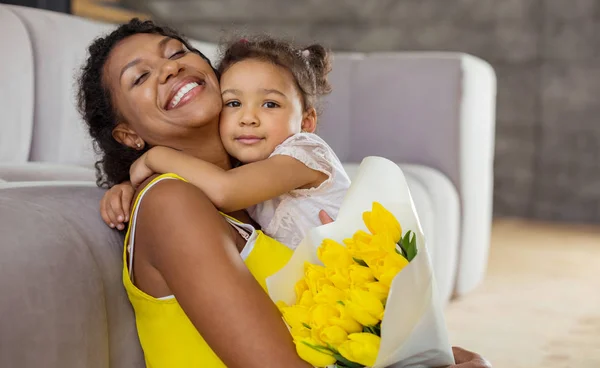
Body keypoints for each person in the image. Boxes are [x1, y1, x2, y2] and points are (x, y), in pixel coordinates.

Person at [80, 18, 490, 368]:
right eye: (140, 76)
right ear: (129, 134)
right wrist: (152, 167)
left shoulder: (258, 199)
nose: (168, 70)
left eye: (175, 53)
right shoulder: (169, 202)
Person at [110, 35, 350, 250]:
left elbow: (225, 190)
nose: (248, 119)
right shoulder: (244, 166)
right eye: (233, 104)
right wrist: (132, 186)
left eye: (270, 104)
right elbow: (205, 176)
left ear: (306, 122)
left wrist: (155, 158)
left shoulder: (305, 153)